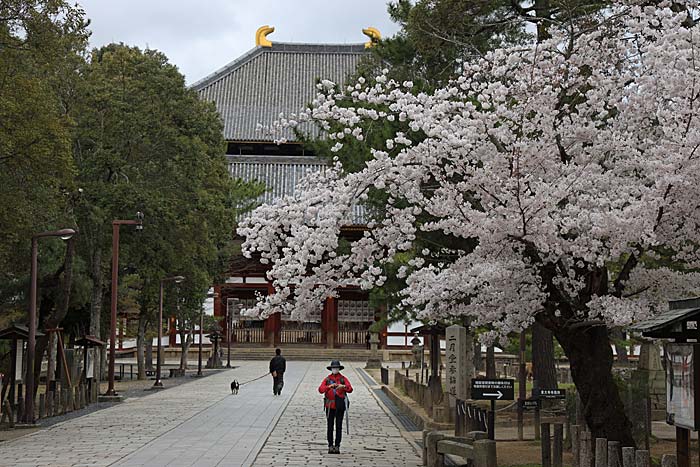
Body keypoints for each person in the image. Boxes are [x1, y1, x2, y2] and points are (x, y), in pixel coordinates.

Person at [318, 360, 353, 454]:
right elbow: (320, 390)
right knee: (330, 426)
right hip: (330, 405)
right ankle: (330, 445)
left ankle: (337, 445)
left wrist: (343, 386)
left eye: (336, 368)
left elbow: (350, 389)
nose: (335, 369)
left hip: (340, 406)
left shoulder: (343, 378)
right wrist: (329, 387)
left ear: (339, 369)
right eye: (333, 368)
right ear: (331, 369)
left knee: (339, 426)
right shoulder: (327, 379)